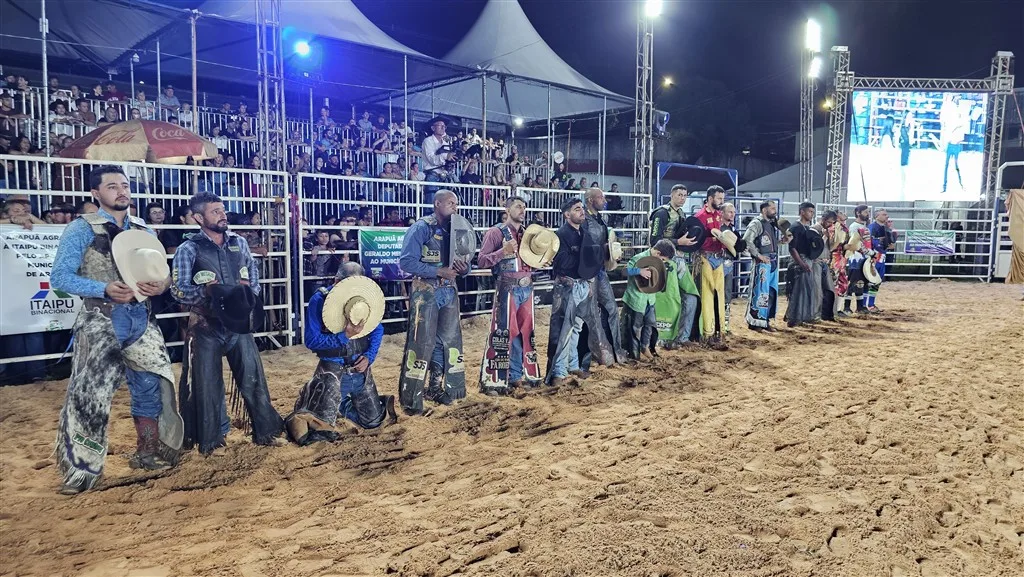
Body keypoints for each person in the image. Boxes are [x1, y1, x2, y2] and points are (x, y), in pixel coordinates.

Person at [49, 166, 183, 495]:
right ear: (96, 193)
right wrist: (103, 288)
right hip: (101, 317)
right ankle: (83, 470)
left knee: (150, 384)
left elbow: (164, 274)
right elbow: (60, 277)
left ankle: (147, 452)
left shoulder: (143, 229)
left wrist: (162, 284)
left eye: (124, 185)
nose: (121, 191)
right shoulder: (80, 229)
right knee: (90, 395)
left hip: (141, 316)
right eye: (112, 186)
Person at [170, 192, 284, 454]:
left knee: (253, 378)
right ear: (199, 218)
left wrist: (246, 296)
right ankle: (212, 441)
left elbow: (253, 277)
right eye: (215, 211)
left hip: (237, 322)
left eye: (222, 210)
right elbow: (177, 290)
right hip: (205, 323)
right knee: (206, 384)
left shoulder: (239, 243)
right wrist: (205, 292)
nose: (222, 215)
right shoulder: (189, 249)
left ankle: (266, 432)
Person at [286, 262, 396, 444]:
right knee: (319, 432)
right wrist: (344, 337)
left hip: (359, 369)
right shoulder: (319, 300)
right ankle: (320, 400)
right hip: (332, 369)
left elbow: (377, 329)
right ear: (336, 281)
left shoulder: (362, 301)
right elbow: (311, 341)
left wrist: (369, 357)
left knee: (373, 422)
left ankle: (340, 404)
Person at [397, 190, 471, 415]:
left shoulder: (457, 229)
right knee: (420, 341)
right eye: (450, 203)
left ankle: (435, 387)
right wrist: (438, 271)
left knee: (446, 340)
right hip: (426, 290)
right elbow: (406, 262)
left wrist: (464, 269)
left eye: (456, 204)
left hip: (448, 289)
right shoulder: (421, 228)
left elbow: (466, 260)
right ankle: (411, 397)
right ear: (437, 203)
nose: (455, 207)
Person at [476, 196, 544, 396]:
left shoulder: (528, 234)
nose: (522, 210)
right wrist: (502, 252)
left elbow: (531, 262)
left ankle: (515, 376)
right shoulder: (495, 232)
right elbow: (481, 261)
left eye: (524, 207)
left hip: (526, 286)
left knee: (524, 332)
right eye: (518, 206)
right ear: (506, 210)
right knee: (504, 332)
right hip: (508, 286)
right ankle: (497, 379)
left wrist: (540, 262)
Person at [545, 198, 603, 386]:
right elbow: (561, 262)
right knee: (564, 329)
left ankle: (573, 365)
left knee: (576, 327)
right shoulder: (560, 235)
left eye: (582, 208)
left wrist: (589, 279)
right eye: (577, 209)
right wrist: (583, 259)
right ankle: (558, 372)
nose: (582, 211)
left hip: (582, 284)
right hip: (567, 285)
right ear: (567, 214)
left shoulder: (583, 232)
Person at [648, 184, 700, 349]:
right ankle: (663, 338)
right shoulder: (661, 213)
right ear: (671, 195)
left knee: (690, 296)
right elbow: (654, 240)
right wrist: (679, 242)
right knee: (667, 300)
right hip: (664, 261)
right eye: (679, 195)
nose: (682, 198)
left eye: (685, 195)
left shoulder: (681, 213)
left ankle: (682, 337)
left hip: (678, 260)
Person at [580, 187, 625, 369]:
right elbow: (585, 247)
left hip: (600, 268)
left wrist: (612, 253)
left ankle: (616, 350)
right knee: (592, 314)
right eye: (601, 197)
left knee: (612, 308)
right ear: (590, 200)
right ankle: (601, 353)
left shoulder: (599, 219)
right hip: (588, 272)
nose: (604, 200)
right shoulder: (584, 220)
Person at [622, 239, 675, 360]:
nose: (662, 262)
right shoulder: (638, 258)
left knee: (650, 324)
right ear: (658, 253)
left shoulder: (656, 261)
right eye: (663, 259)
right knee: (634, 327)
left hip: (650, 299)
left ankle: (645, 348)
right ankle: (634, 354)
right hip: (635, 299)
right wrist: (638, 271)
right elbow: (624, 271)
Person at [693, 186, 729, 348]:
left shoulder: (718, 215)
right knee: (707, 296)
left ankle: (718, 332)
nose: (721, 201)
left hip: (717, 257)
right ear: (710, 198)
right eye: (719, 198)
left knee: (718, 297)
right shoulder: (700, 216)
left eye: (722, 198)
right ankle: (707, 334)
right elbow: (696, 239)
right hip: (705, 257)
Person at [743, 200, 782, 331]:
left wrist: (781, 241)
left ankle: (765, 320)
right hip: (762, 263)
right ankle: (755, 321)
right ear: (764, 210)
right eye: (772, 208)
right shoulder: (756, 223)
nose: (775, 211)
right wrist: (758, 256)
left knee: (770, 291)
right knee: (760, 291)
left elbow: (769, 243)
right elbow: (747, 240)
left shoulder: (770, 224)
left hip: (772, 261)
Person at [786, 202, 822, 327]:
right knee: (799, 290)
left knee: (805, 290)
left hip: (806, 260)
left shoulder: (806, 227)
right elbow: (792, 248)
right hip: (800, 261)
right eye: (810, 211)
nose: (812, 214)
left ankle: (802, 317)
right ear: (802, 212)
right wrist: (801, 263)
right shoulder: (796, 227)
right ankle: (795, 318)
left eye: (813, 212)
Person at [811, 210, 839, 321]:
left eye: (832, 223)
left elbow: (831, 247)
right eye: (829, 222)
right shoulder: (814, 229)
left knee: (829, 289)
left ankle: (827, 314)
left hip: (825, 262)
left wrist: (829, 237)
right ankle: (815, 314)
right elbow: (814, 247)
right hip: (816, 261)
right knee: (817, 290)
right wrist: (824, 236)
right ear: (823, 219)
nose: (830, 224)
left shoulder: (826, 230)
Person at [867, 209, 893, 312]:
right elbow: (869, 241)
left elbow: (890, 243)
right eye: (884, 214)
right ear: (877, 216)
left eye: (886, 214)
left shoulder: (885, 228)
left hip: (882, 256)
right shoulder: (872, 227)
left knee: (877, 281)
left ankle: (871, 303)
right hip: (874, 256)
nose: (887, 216)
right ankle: (865, 304)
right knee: (870, 280)